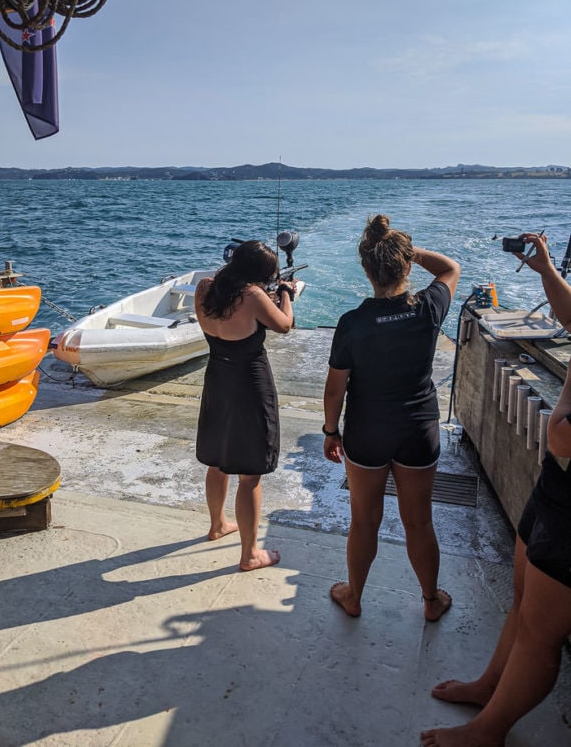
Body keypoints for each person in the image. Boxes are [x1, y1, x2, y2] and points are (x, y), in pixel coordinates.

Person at [421, 231, 571, 747]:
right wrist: (547, 271)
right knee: (523, 597)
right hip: (557, 481)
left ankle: (490, 731)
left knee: (541, 630)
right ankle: (490, 686)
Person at [322, 214, 460, 619]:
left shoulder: (352, 323)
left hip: (366, 431)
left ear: (366, 270)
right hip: (419, 429)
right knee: (419, 522)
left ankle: (354, 597)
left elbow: (335, 389)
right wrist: (405, 250)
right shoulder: (429, 307)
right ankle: (431, 601)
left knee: (364, 522)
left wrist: (331, 431)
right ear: (405, 265)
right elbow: (451, 268)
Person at [195, 240, 296, 571]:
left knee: (217, 460)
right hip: (249, 381)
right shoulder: (253, 297)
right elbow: (284, 325)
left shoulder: (206, 287)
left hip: (217, 376)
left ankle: (217, 525)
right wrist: (285, 295)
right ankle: (251, 554)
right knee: (250, 473)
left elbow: (232, 309)